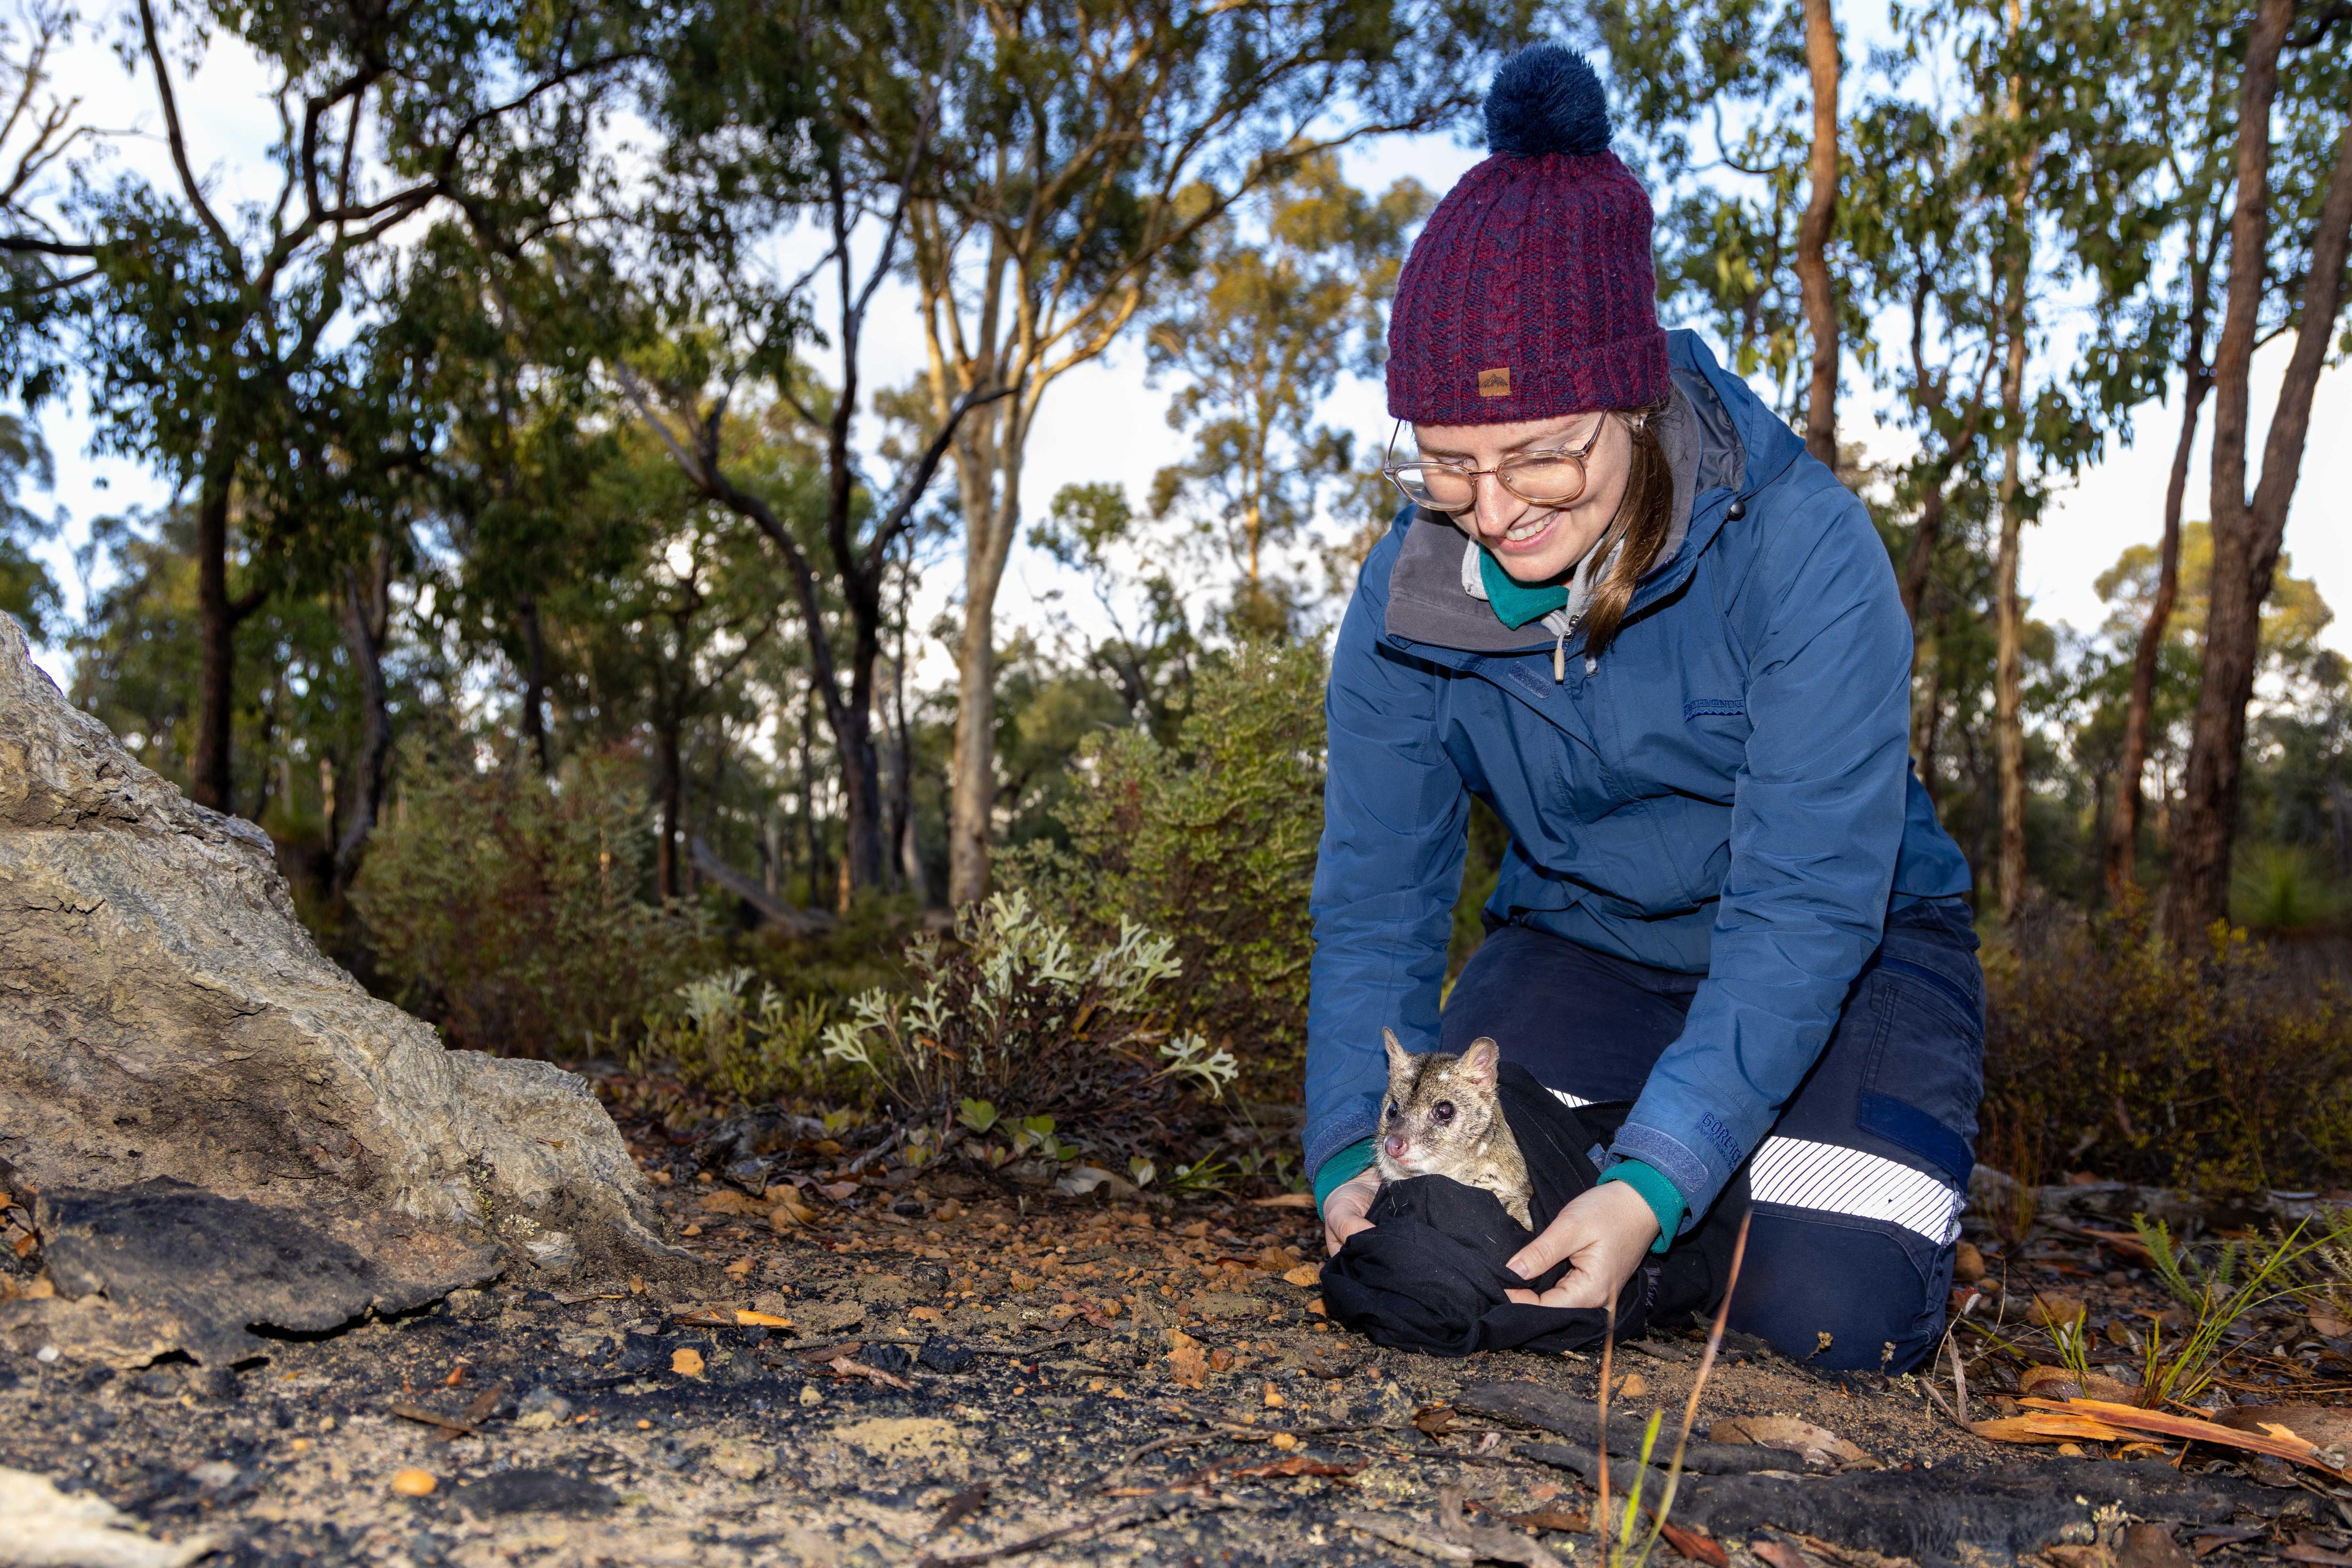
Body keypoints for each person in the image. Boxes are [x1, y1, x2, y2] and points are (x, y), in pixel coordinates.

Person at [1304, 43, 1983, 1373]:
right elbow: (1379, 889)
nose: (1493, 515)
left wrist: (1657, 1178)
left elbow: (1804, 907)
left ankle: (1724, 1173)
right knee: (1422, 1242)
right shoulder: (1413, 586)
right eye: (1448, 464)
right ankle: (1687, 1161)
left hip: (1849, 951)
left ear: (1635, 396)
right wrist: (1346, 1140)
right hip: (1586, 945)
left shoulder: (1805, 553)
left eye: (1543, 455)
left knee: (1828, 1305)